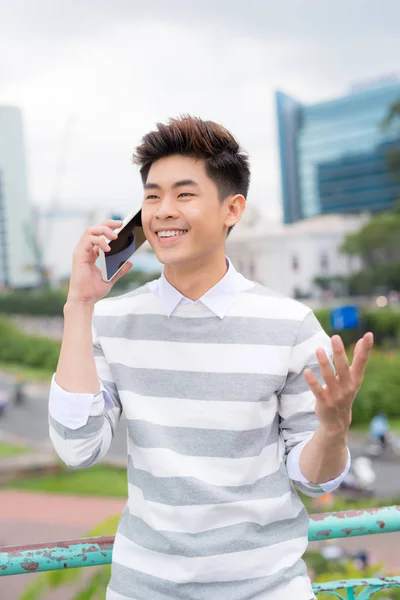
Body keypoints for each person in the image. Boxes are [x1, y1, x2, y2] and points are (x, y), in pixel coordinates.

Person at [48, 116, 374, 600]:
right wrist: (79, 304)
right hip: (144, 588)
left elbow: (313, 479)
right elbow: (77, 448)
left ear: (232, 209)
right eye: (153, 196)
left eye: (184, 194)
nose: (163, 211)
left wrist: (333, 427)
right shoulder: (110, 322)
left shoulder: (290, 324)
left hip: (266, 588)